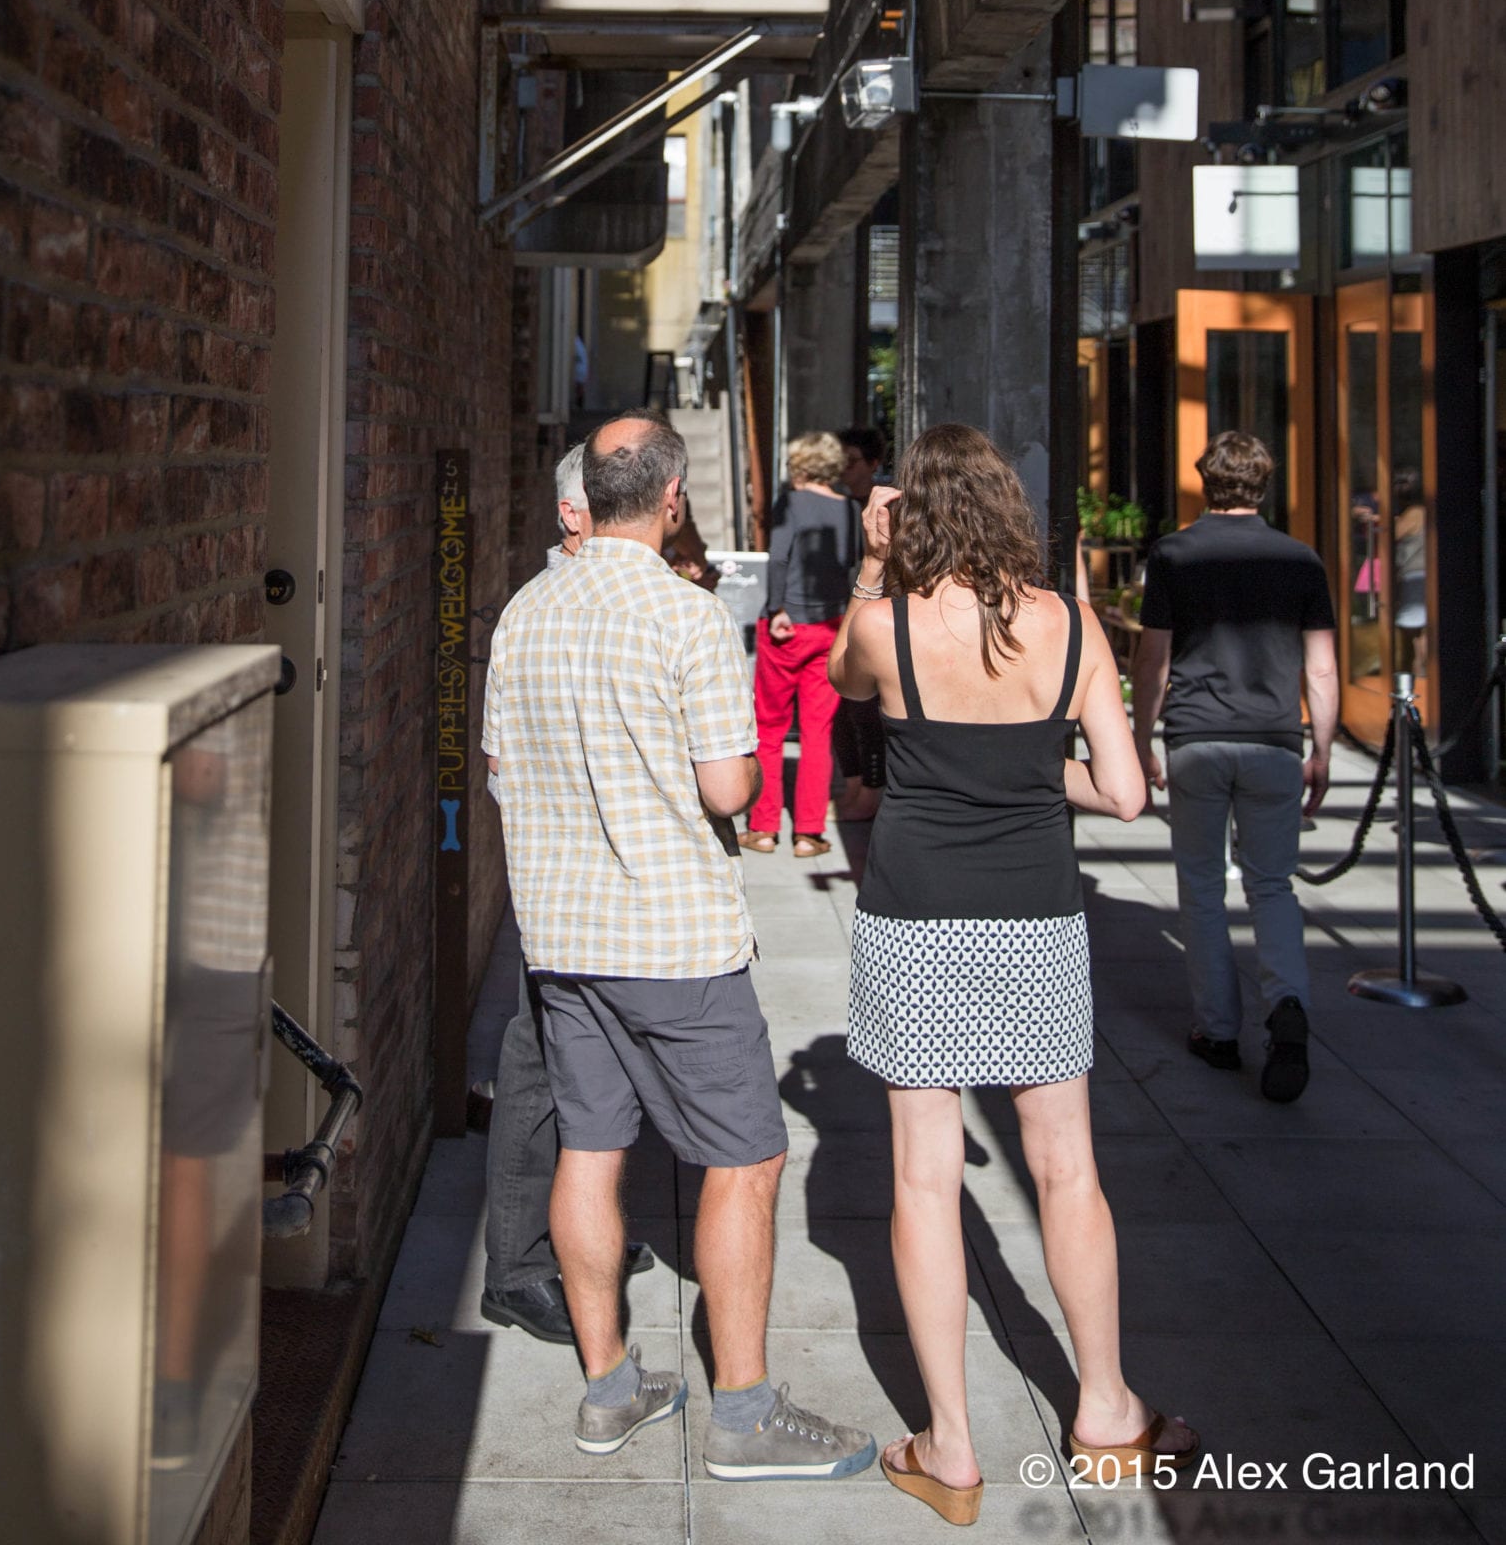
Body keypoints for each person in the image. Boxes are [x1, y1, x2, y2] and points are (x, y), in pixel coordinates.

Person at [485, 414, 874, 1479]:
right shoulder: (687, 613)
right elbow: (729, 787)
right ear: (671, 499)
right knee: (745, 1160)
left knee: (588, 1151)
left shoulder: (524, 609)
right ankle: (742, 1416)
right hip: (672, 938)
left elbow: (500, 770)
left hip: (561, 935)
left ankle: (609, 1389)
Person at [831, 424, 1197, 1516]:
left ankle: (950, 1449)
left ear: (913, 514)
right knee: (1066, 1168)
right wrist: (1038, 772)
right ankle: (1106, 1411)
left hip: (915, 916)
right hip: (1035, 918)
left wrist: (870, 562)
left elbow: (844, 679)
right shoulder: (1070, 626)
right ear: (1007, 508)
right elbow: (1124, 794)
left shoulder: (886, 625)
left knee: (922, 1176)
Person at [483, 444, 653, 1342]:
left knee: (596, 1070)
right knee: (540, 1068)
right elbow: (502, 764)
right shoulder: (541, 610)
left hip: (610, 885)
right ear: (573, 515)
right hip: (565, 887)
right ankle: (516, 1269)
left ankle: (583, 1232)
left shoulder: (616, 603)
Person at [1131, 430, 1339, 1105]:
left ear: (1205, 481)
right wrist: (1321, 749)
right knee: (1272, 885)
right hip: (1274, 739)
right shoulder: (1301, 560)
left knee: (1200, 888)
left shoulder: (1173, 554)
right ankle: (1286, 1004)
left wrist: (1140, 738)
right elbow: (1320, 667)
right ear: (1264, 483)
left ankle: (1217, 1030)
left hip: (1196, 737)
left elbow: (1153, 659)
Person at [743, 431, 861, 859]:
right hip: (828, 626)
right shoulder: (851, 509)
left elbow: (778, 556)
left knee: (770, 728)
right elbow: (853, 568)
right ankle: (809, 833)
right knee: (817, 732)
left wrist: (777, 607)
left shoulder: (789, 503)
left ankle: (763, 828)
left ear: (801, 465)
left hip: (786, 626)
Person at [835, 428, 890, 820]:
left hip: (873, 613)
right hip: (839, 611)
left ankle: (871, 790)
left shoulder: (884, 508)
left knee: (865, 709)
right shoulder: (834, 505)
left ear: (873, 464)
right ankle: (855, 786)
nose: (845, 470)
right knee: (840, 711)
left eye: (852, 462)